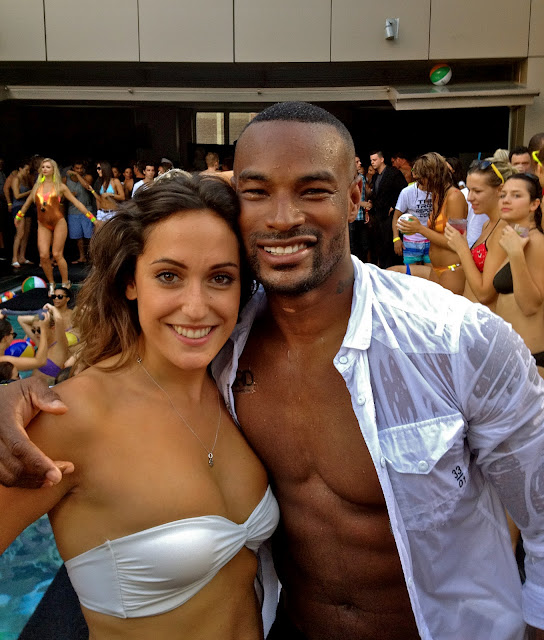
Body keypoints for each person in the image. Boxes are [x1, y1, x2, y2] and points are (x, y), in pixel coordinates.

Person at [2, 102, 544, 640]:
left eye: (313, 190)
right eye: (257, 192)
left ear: (354, 195)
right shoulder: (221, 351)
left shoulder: (456, 340)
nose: (282, 217)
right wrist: (23, 390)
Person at [0, 173, 279, 640]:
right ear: (130, 281)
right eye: (169, 276)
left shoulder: (235, 388)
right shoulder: (70, 418)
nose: (196, 307)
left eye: (220, 278)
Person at [14, 158, 97, 294]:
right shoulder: (37, 186)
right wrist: (19, 216)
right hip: (43, 224)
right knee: (43, 255)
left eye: (48, 167)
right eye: (43, 167)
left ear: (53, 170)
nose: (45, 169)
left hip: (58, 222)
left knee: (57, 254)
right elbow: (27, 203)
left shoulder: (60, 186)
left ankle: (65, 282)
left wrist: (93, 219)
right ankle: (51, 283)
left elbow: (77, 203)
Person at [445, 151, 515, 310]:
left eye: (477, 191)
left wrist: (462, 248)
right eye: (469, 190)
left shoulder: (503, 229)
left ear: (500, 190)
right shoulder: (487, 224)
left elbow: (485, 294)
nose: (469, 197)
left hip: (484, 320)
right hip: (470, 314)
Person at [493, 172, 544, 377]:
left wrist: (515, 255)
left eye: (516, 195)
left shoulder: (536, 242)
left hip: (531, 361)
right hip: (513, 357)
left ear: (534, 204)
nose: (506, 200)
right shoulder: (517, 237)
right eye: (503, 195)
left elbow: (530, 306)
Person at [397, 152, 468, 294]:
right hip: (435, 269)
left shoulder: (455, 197)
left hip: (452, 270)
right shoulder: (437, 195)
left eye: (421, 179)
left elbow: (455, 242)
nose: (419, 184)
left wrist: (420, 229)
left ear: (432, 176)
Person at [368, 151, 407, 268]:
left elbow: (403, 190)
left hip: (390, 217)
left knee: (390, 249)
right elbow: (376, 194)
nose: (372, 162)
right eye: (371, 160)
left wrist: (394, 206)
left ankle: (393, 270)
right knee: (381, 249)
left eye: (374, 160)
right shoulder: (375, 176)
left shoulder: (393, 173)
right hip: (378, 217)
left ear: (382, 159)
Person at [64, 161, 94, 263]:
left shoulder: (87, 177)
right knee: (78, 237)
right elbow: (60, 197)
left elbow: (87, 186)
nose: (79, 170)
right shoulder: (66, 179)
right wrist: (69, 195)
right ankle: (82, 257)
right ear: (73, 168)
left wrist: (77, 175)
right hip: (73, 211)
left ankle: (92, 257)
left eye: (81, 168)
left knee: (90, 236)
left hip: (87, 209)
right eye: (77, 168)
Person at [10, 160, 33, 268]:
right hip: (18, 207)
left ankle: (22, 257)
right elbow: (17, 195)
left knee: (26, 234)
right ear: (20, 169)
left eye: (29, 170)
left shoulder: (26, 179)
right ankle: (14, 258)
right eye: (26, 170)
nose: (27, 172)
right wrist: (30, 192)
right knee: (20, 233)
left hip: (27, 207)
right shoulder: (16, 179)